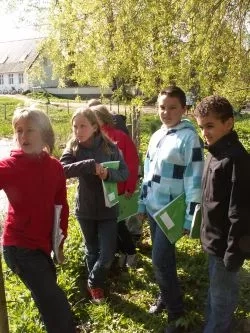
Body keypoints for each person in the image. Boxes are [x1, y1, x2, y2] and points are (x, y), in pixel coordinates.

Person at [0, 108, 76, 333]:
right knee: (56, 305)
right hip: (19, 247)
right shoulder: (10, 167)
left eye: (30, 130)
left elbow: (61, 207)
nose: (23, 136)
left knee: (48, 299)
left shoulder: (54, 167)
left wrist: (60, 244)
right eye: (19, 131)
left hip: (42, 246)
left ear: (44, 133)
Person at [137, 86, 204, 333]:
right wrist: (142, 203)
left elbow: (195, 180)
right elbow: (147, 174)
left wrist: (190, 218)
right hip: (154, 209)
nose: (166, 112)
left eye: (172, 107)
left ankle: (177, 315)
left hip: (172, 212)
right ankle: (166, 297)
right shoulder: (157, 135)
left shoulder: (189, 138)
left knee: (159, 260)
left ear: (184, 109)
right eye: (162, 107)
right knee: (165, 261)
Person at [60, 107, 128, 303]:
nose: (78, 131)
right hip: (86, 209)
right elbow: (62, 170)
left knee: (107, 253)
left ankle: (92, 281)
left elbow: (125, 173)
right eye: (75, 126)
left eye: (83, 126)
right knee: (91, 250)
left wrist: (108, 174)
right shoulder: (73, 147)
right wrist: (88, 165)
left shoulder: (110, 147)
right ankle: (97, 289)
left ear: (95, 127)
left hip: (109, 208)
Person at [194, 95, 250, 333]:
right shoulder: (213, 153)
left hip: (226, 247)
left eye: (210, 126)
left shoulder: (237, 160)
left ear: (229, 123)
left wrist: (233, 252)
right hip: (212, 242)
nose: (205, 132)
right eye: (201, 127)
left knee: (222, 299)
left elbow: (240, 211)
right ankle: (213, 324)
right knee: (215, 294)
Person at [90, 104, 139, 268]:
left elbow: (132, 163)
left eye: (93, 118)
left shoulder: (119, 137)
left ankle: (131, 252)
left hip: (117, 189)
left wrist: (130, 187)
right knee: (108, 226)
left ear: (102, 118)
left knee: (117, 224)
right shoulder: (91, 139)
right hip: (100, 192)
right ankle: (121, 253)